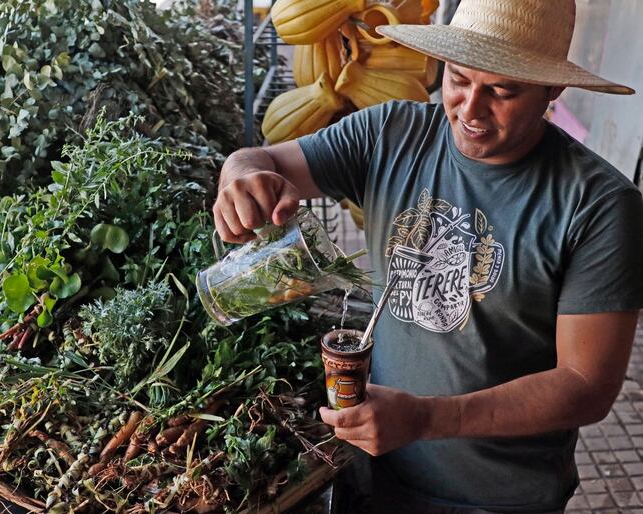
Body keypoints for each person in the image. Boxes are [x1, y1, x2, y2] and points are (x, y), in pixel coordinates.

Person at [213, 0, 643, 512]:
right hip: (370, 469)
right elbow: (261, 159)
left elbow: (586, 386)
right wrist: (240, 178)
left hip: (496, 498)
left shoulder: (598, 205)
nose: (470, 109)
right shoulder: (390, 134)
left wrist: (427, 419)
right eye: (458, 79)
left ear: (553, 91)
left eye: (502, 92)